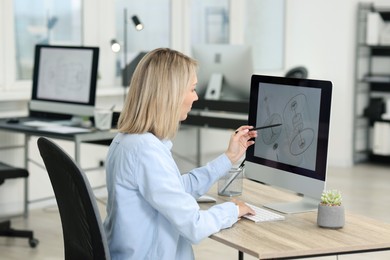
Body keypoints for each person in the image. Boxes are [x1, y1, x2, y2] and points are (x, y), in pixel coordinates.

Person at [103, 48, 257, 260]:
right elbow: (194, 225)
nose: (196, 96)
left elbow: (175, 190)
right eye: (192, 89)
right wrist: (232, 210)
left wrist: (228, 158)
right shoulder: (146, 151)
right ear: (171, 95)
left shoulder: (127, 140)